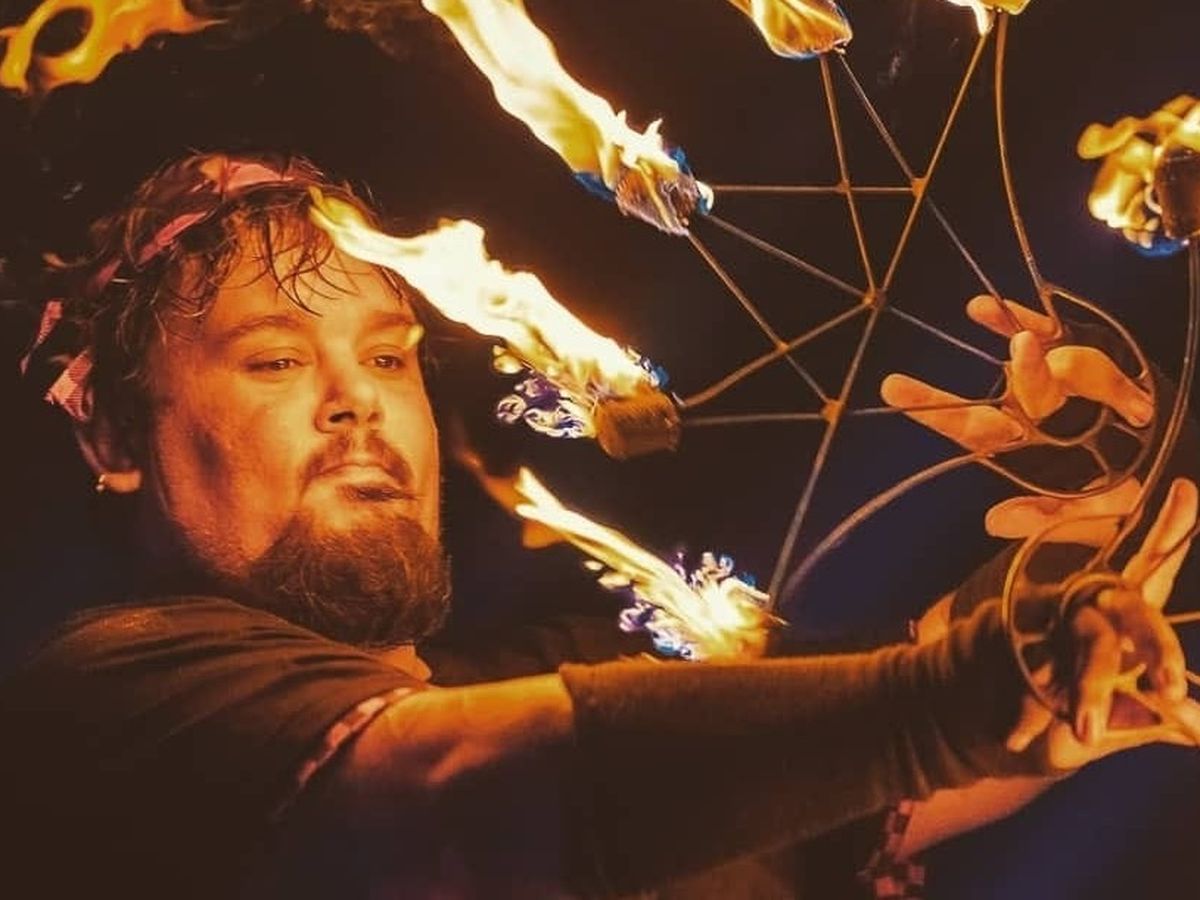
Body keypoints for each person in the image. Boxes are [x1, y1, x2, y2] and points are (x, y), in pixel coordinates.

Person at [2, 150, 1196, 899]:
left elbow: (947, 727)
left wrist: (1112, 500)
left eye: (390, 355)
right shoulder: (107, 697)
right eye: (273, 358)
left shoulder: (590, 677)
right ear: (114, 440)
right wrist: (938, 705)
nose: (357, 398)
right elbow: (465, 794)